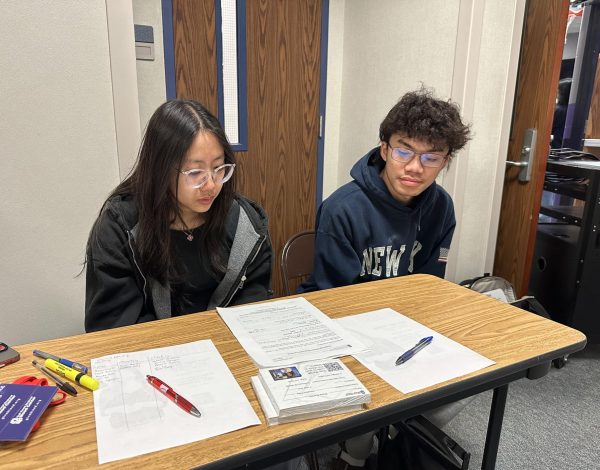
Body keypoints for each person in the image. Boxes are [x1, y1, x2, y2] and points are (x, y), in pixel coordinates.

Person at [299, 88, 471, 470]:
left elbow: (429, 285)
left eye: (432, 157)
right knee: (379, 376)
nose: (415, 166)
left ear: (445, 161)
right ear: (384, 149)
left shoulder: (441, 207)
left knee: (478, 371)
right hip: (340, 321)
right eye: (404, 150)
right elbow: (332, 300)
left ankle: (397, 431)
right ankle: (355, 454)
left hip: (405, 323)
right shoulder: (342, 209)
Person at [85, 100, 273, 332]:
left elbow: (253, 313)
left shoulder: (246, 225)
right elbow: (113, 327)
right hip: (153, 360)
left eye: (219, 168)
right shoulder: (120, 227)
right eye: (195, 173)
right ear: (160, 169)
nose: (211, 185)